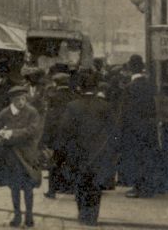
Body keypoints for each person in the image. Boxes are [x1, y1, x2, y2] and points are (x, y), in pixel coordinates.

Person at [57, 69, 116, 227]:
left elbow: (64, 131)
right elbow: (114, 132)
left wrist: (64, 152)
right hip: (99, 154)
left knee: (80, 184)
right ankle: (93, 217)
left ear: (80, 88)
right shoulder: (105, 106)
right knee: (96, 188)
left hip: (78, 154)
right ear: (96, 88)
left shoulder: (72, 106)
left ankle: (83, 213)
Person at [0, 85, 43, 228]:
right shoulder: (4, 114)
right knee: (14, 188)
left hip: (27, 155)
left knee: (28, 188)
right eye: (17, 99)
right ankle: (17, 216)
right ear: (11, 100)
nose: (21, 102)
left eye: (23, 99)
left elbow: (33, 130)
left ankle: (29, 216)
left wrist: (12, 133)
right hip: (11, 157)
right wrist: (1, 135)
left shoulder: (32, 112)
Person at [119, 54, 159, 197]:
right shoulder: (150, 86)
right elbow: (153, 108)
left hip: (134, 129)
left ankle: (138, 188)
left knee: (135, 158)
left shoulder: (129, 88)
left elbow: (124, 112)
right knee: (147, 157)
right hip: (149, 127)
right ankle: (148, 187)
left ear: (130, 67)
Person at [43, 72, 75, 198]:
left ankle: (52, 191)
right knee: (71, 161)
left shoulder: (53, 97)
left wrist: (46, 137)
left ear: (56, 83)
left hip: (57, 135)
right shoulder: (74, 96)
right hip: (71, 135)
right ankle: (71, 188)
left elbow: (50, 118)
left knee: (54, 162)